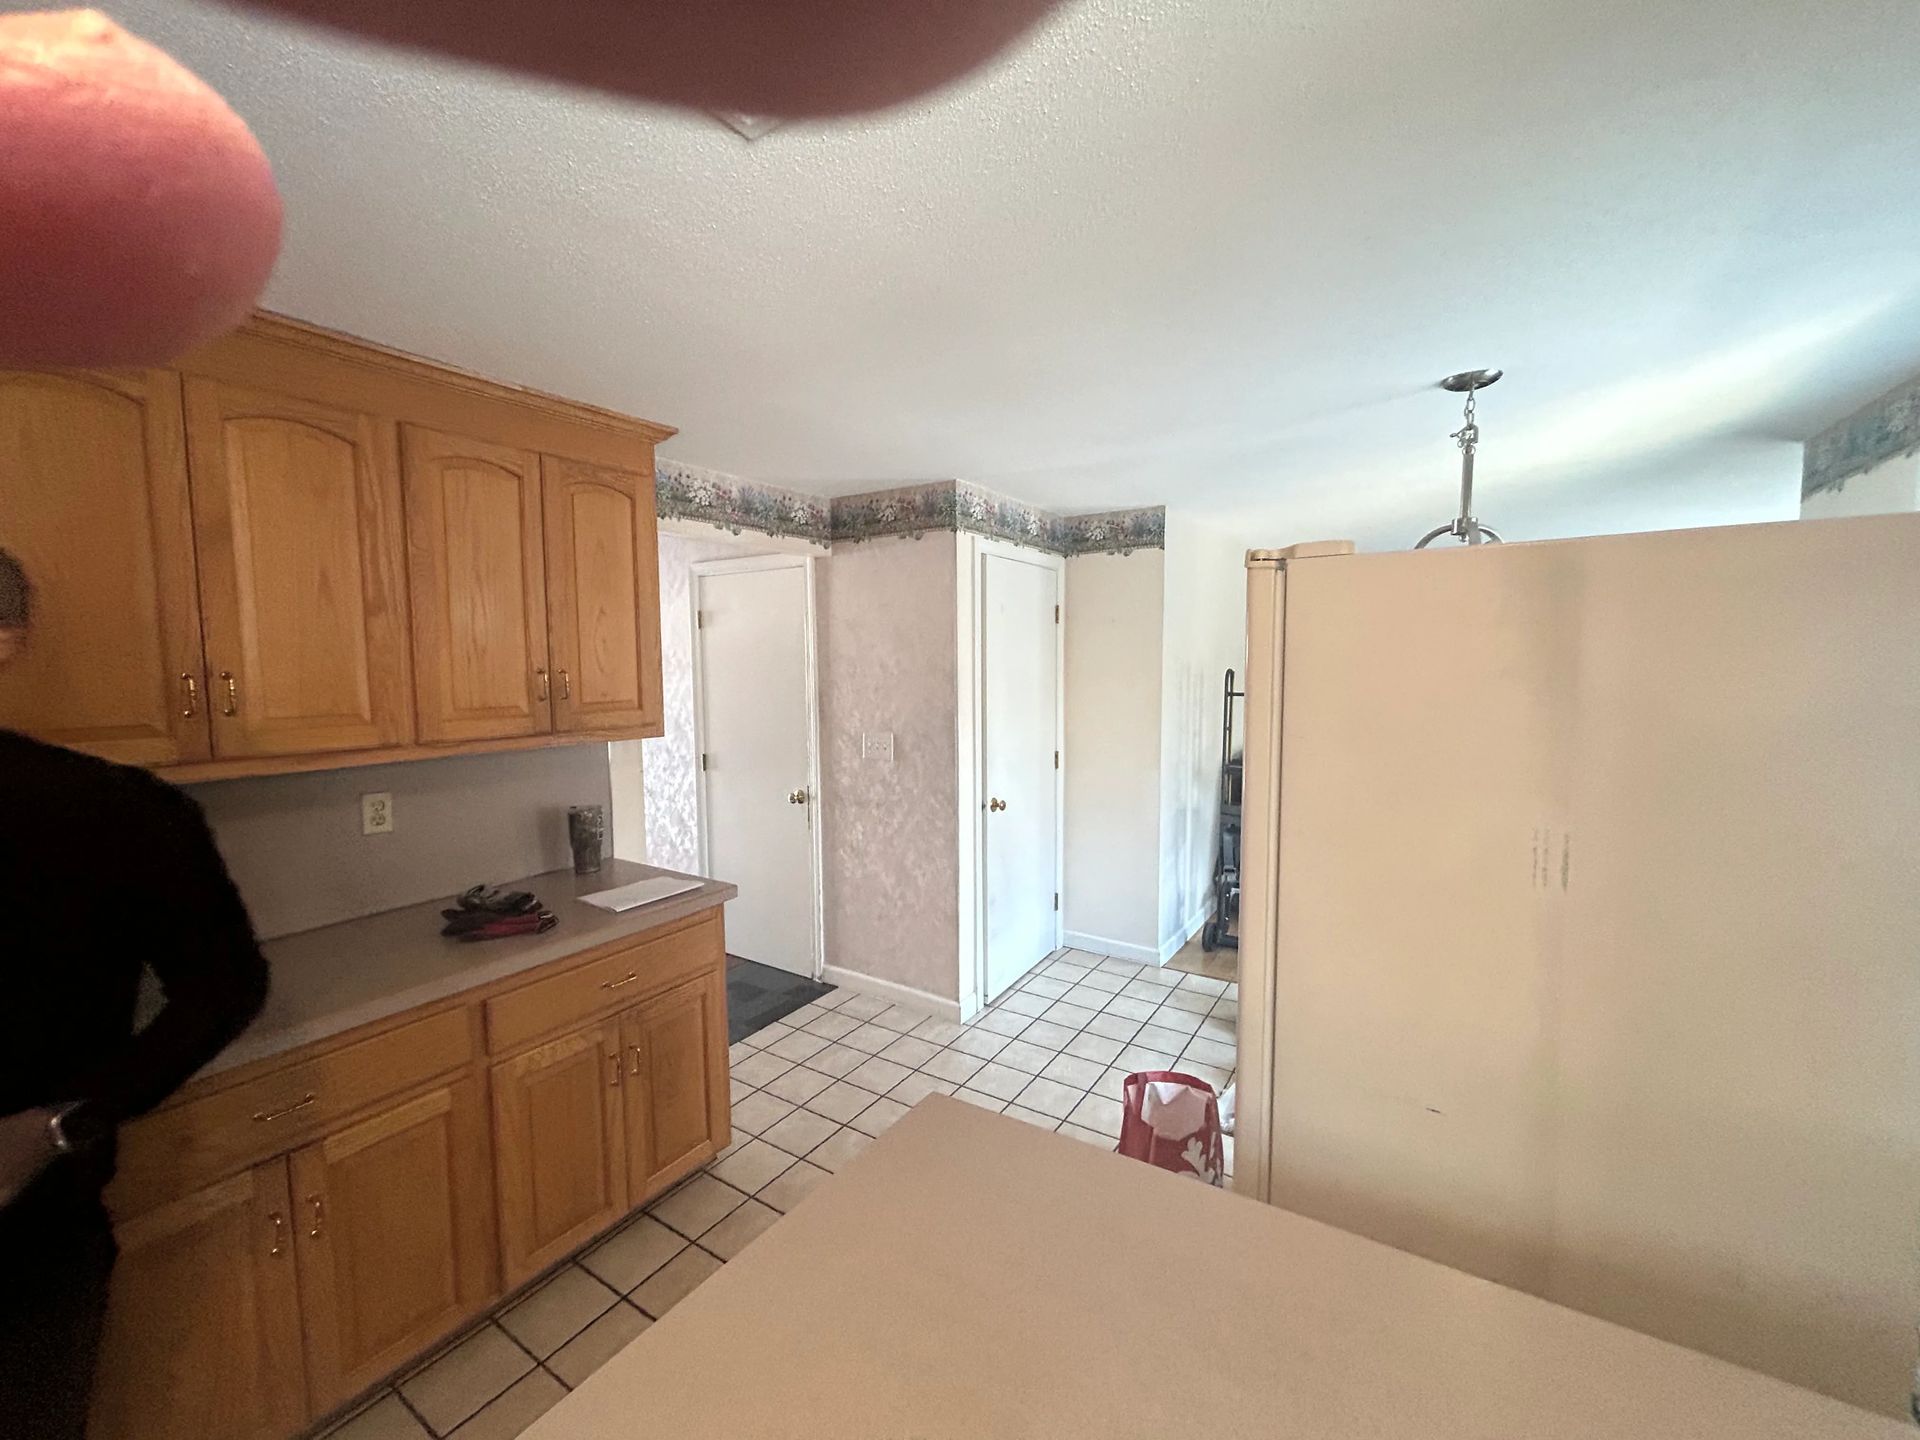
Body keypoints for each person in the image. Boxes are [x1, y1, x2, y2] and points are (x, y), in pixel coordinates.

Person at [0, 548, 272, 1438]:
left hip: (29, 1238)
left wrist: (52, 1127)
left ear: (6, 640)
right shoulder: (118, 810)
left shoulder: (111, 814)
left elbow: (227, 983)